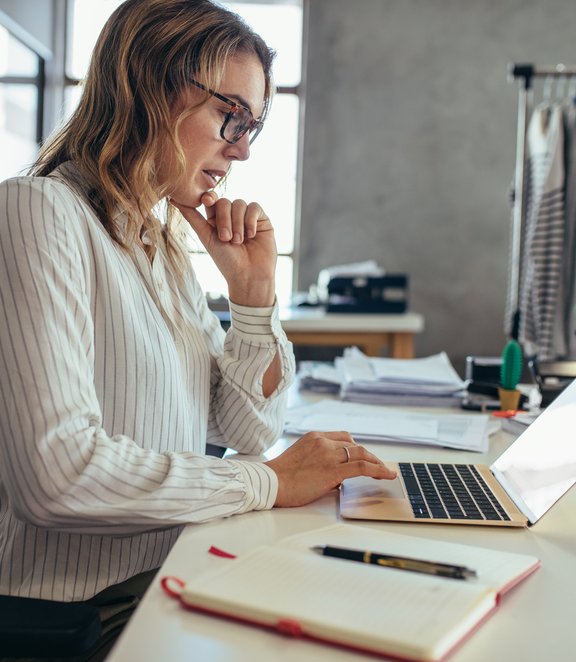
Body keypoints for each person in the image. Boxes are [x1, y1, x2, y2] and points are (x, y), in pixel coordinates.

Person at [0, 0, 395, 657]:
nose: (240, 149)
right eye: (230, 115)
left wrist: (253, 295)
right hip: (68, 624)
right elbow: (58, 475)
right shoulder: (38, 212)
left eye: (254, 128)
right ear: (150, 85)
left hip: (164, 583)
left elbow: (245, 428)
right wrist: (267, 482)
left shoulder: (160, 243)